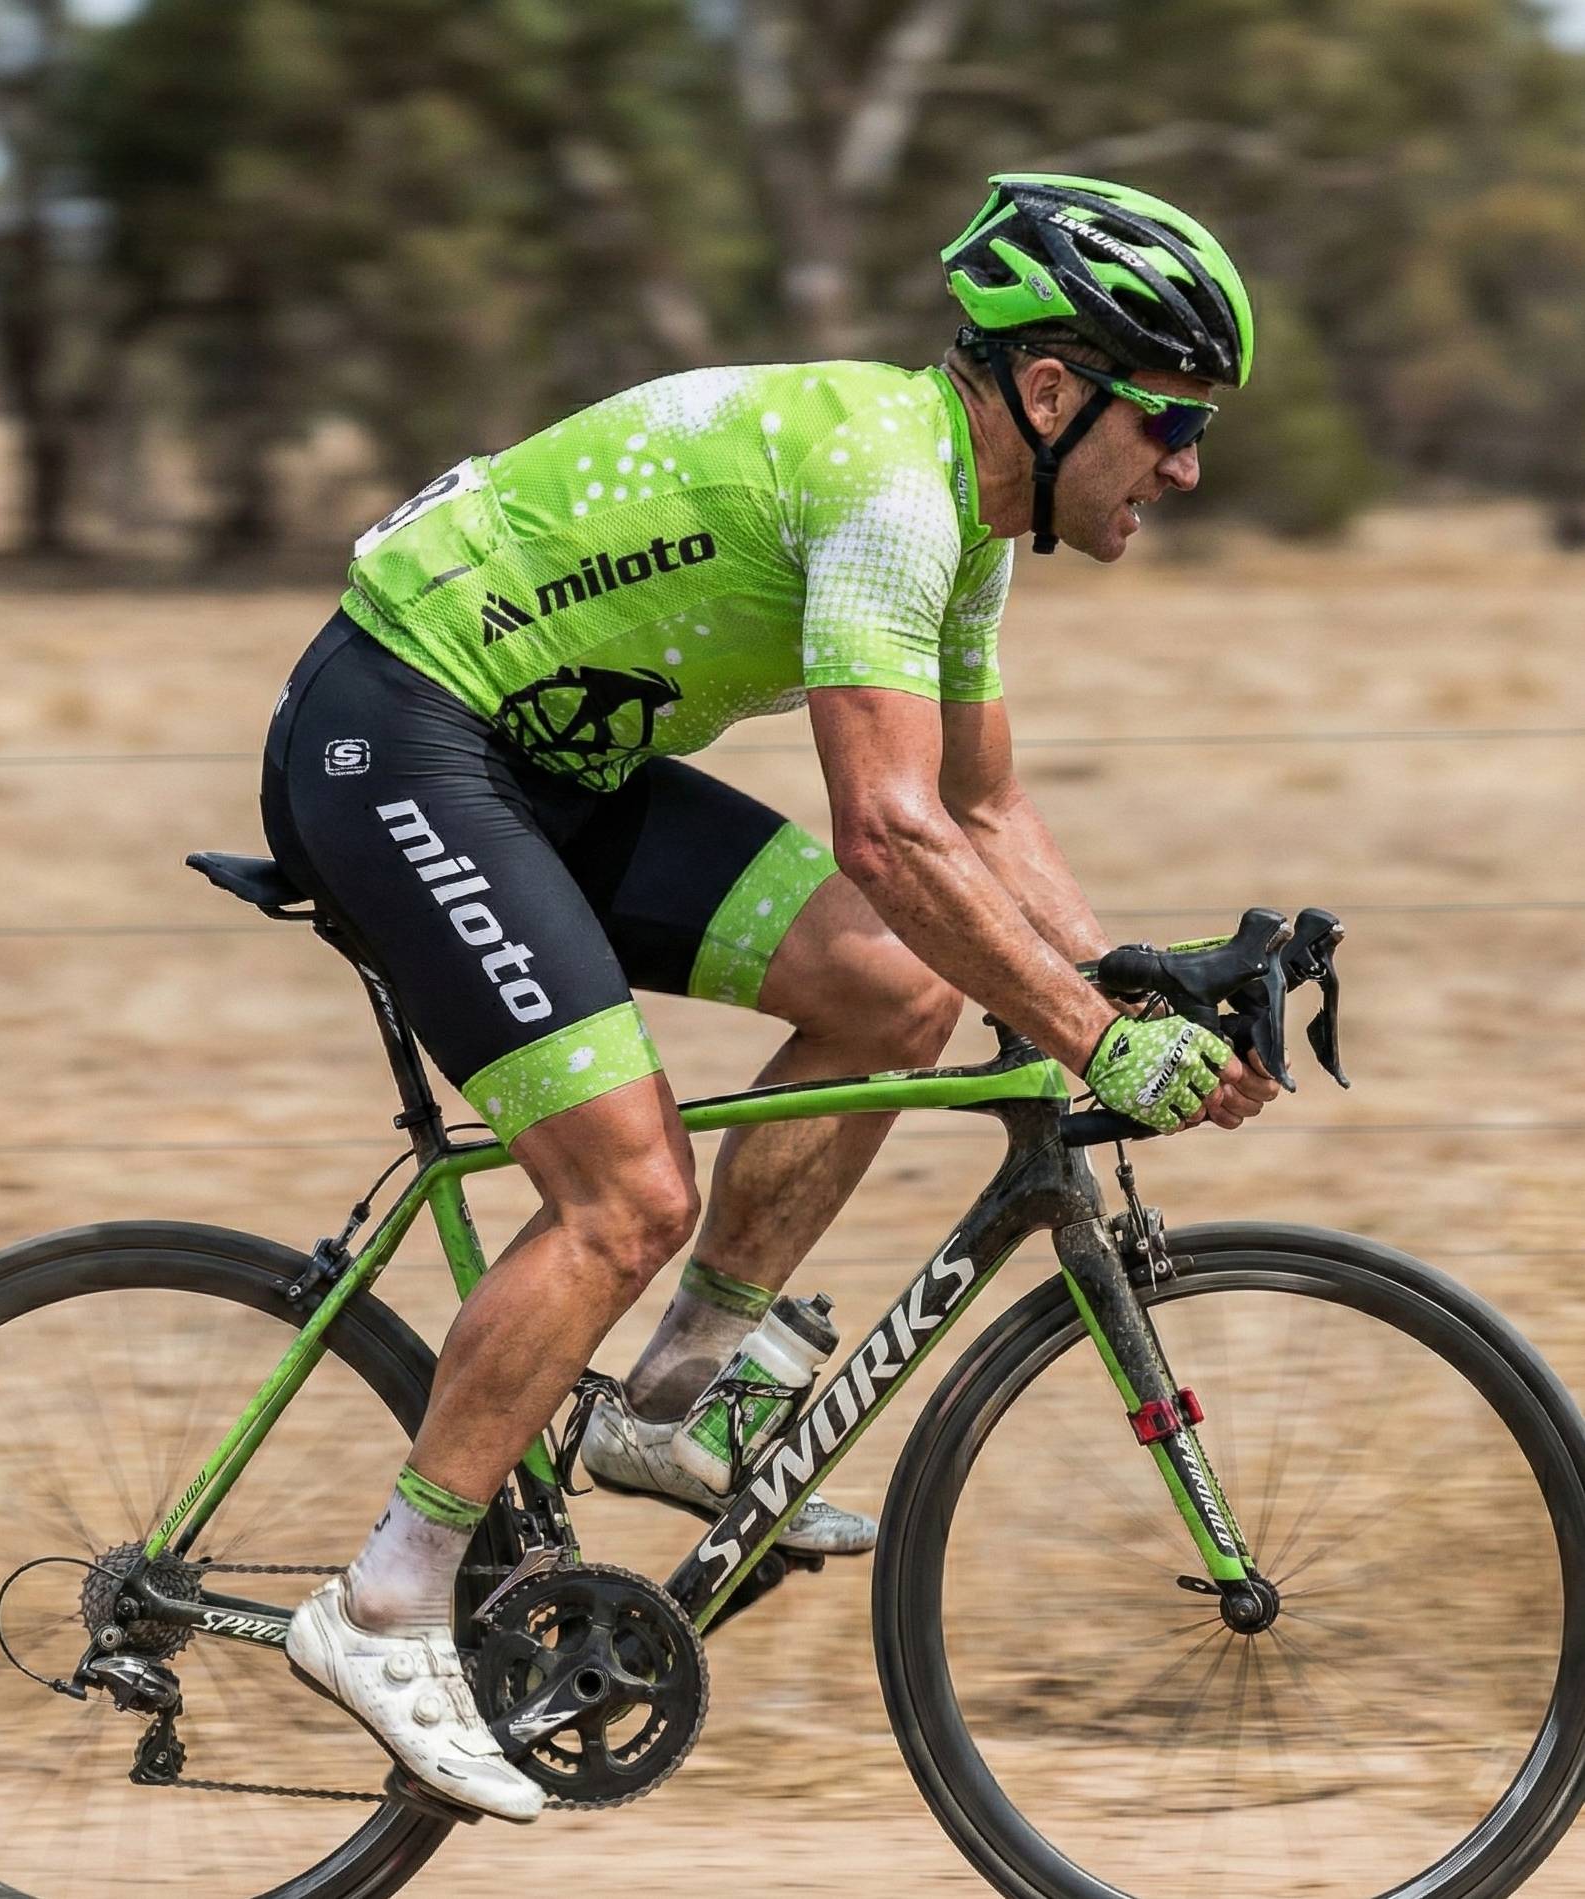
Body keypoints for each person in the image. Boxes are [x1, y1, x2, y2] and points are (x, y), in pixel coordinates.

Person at [260, 174, 1280, 1820]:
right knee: (625, 1196)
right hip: (400, 739)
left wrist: (1131, 990)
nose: (1187, 467)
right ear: (1048, 389)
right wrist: (1098, 1041)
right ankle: (385, 1600)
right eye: (1170, 421)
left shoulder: (966, 518)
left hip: (546, 762)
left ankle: (670, 1403)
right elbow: (889, 833)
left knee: (894, 993)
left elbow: (982, 810)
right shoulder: (890, 491)